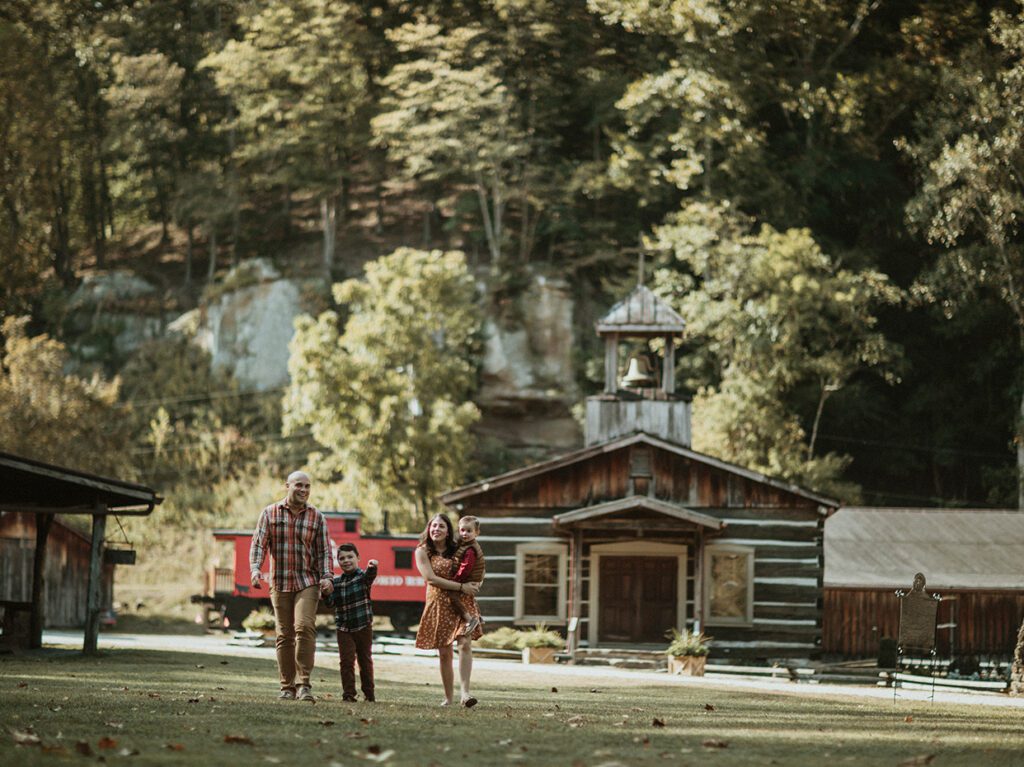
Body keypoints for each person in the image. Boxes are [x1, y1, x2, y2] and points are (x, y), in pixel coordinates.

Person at [249, 470, 333, 702]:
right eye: (299, 485)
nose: (304, 490)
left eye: (307, 486)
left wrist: (327, 576)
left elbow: (324, 550)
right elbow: (259, 544)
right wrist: (256, 569)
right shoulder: (270, 513)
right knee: (284, 634)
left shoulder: (317, 517)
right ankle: (287, 687)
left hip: (308, 581)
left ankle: (303, 683)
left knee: (304, 627)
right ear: (287, 486)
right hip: (281, 582)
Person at [414, 513, 483, 707]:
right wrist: (461, 587)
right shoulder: (422, 551)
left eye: (441, 526)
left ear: (448, 531)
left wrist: (477, 581)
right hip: (438, 603)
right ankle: (449, 697)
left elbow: (476, 562)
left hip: (461, 604)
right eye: (433, 526)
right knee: (445, 653)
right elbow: (431, 579)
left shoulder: (458, 548)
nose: (436, 529)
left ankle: (465, 694)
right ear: (429, 529)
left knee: (464, 644)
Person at [324, 543, 378, 702]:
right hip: (344, 628)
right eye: (342, 558)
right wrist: (326, 593)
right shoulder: (336, 582)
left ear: (358, 558)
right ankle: (348, 694)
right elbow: (330, 604)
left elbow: (370, 575)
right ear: (338, 562)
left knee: (365, 660)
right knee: (346, 661)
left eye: (350, 557)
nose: (346, 561)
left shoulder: (362, 577)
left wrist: (373, 566)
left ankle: (369, 694)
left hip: (363, 625)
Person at [446, 516, 485, 636]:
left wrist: (456, 581)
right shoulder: (467, 545)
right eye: (462, 530)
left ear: (476, 533)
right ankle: (479, 616)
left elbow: (466, 567)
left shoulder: (470, 550)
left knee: (452, 597)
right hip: (472, 577)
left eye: (469, 531)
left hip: (468, 578)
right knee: (470, 597)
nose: (465, 534)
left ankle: (470, 619)